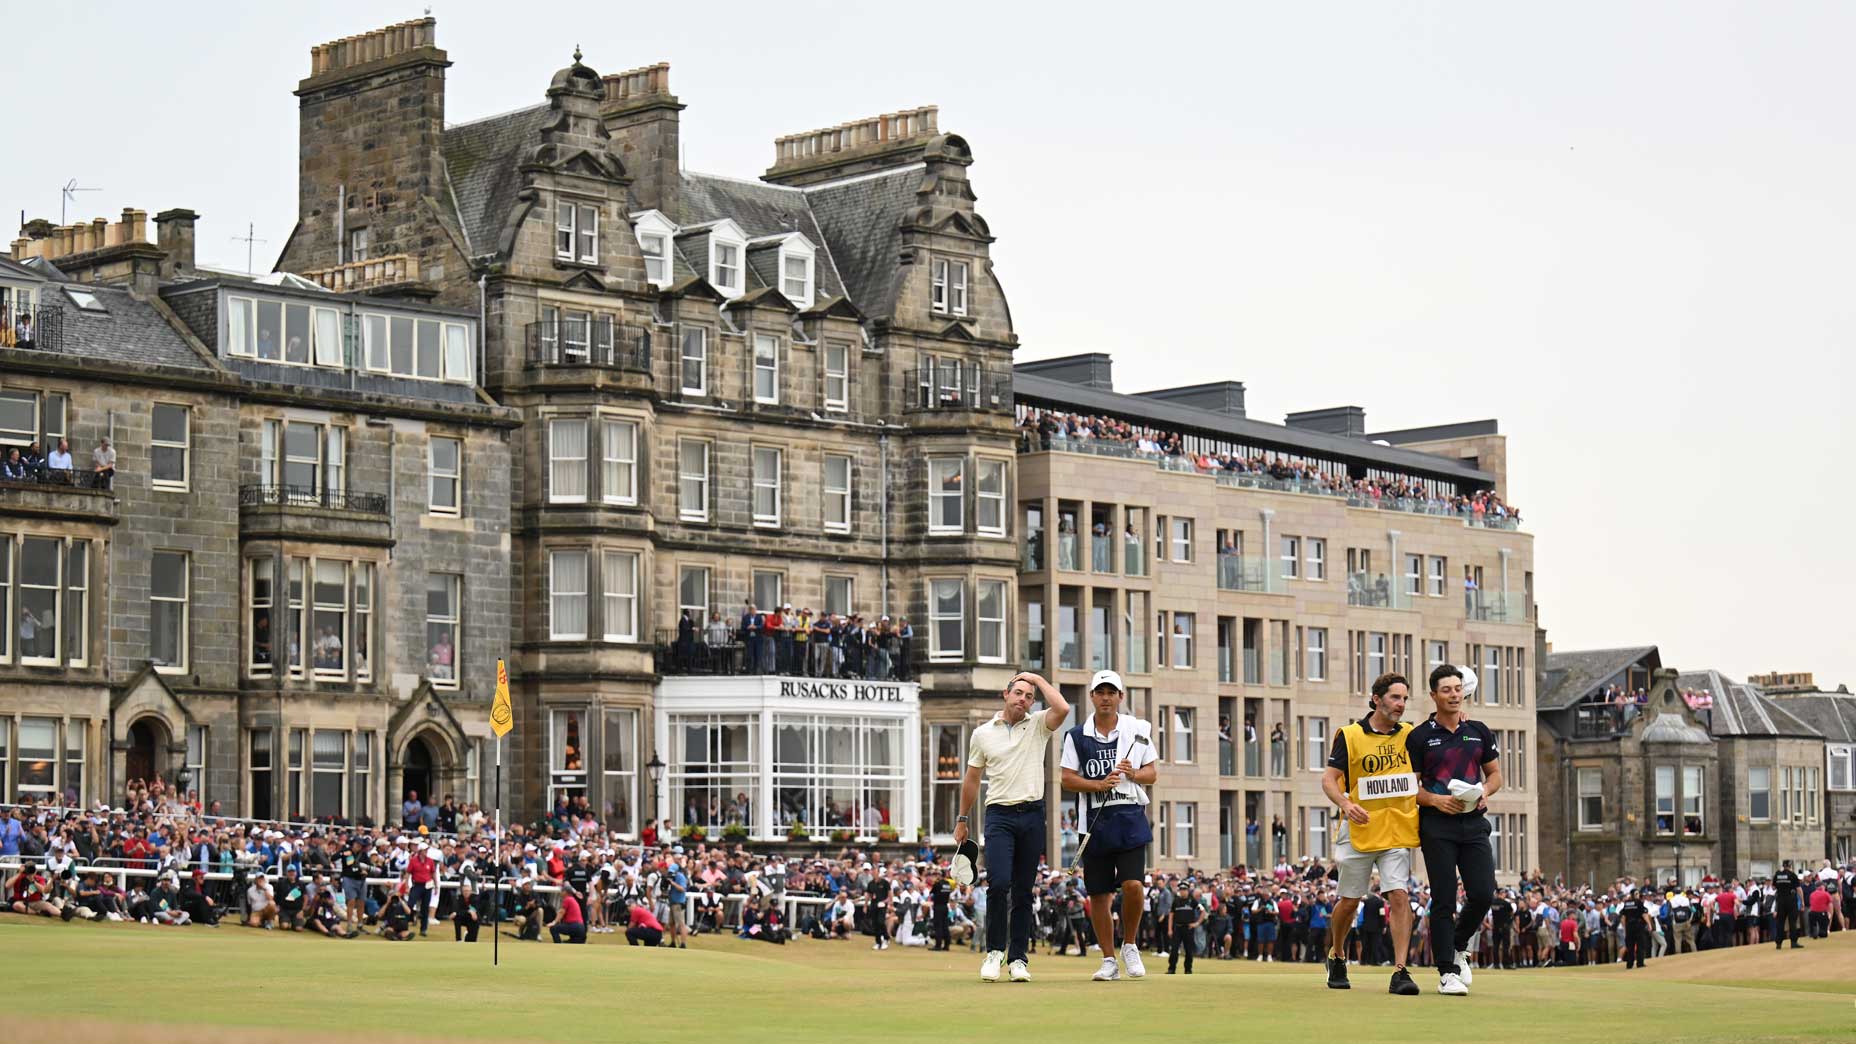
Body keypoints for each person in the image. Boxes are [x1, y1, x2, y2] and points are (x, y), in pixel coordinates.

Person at [955, 671, 1071, 983]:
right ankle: (994, 952)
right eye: (1019, 692)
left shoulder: (1038, 726)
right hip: (999, 816)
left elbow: (1063, 709)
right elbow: (972, 779)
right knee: (999, 883)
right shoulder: (982, 734)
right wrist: (962, 819)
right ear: (1006, 695)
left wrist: (1036, 678)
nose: (1023, 699)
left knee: (1023, 890)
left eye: (1029, 696)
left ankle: (1018, 959)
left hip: (1033, 815)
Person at [1321, 672, 1423, 995]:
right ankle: (1337, 954)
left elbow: (1438, 737)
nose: (1401, 704)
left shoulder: (1410, 734)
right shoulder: (1350, 736)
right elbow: (1329, 779)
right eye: (1396, 697)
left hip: (1396, 829)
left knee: (1399, 895)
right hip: (1360, 829)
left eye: (1405, 698)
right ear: (1376, 699)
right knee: (1350, 902)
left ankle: (1401, 970)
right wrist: (1344, 803)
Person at [1407, 664, 1503, 996]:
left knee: (1482, 893)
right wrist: (1435, 800)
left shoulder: (1478, 731)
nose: (1453, 694)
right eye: (1446, 689)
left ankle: (1459, 944)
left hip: (1473, 823)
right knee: (1444, 898)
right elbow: (1410, 789)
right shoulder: (1419, 736)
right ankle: (1447, 971)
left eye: (1457, 688)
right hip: (1437, 826)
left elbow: (1495, 776)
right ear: (1433, 695)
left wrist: (1485, 793)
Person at [1058, 669, 1157, 981]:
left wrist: (1133, 774)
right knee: (1099, 895)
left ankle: (1130, 944)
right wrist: (1098, 784)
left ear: (1120, 697)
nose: (1105, 698)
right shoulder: (1076, 736)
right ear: (1091, 697)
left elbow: (1151, 773)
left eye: (1111, 692)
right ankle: (1108, 960)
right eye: (1100, 692)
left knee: (1133, 885)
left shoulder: (1137, 731)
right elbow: (1067, 779)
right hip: (1095, 821)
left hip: (1128, 816)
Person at [1167, 879, 1202, 974]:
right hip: (1177, 928)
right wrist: (1169, 929)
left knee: (1188, 950)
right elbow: (1171, 915)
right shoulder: (1176, 901)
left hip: (1188, 928)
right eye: (1181, 889)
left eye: (1184, 889)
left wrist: (1197, 923)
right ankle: (1171, 968)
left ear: (1187, 890)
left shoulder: (1192, 901)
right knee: (1174, 949)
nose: (1182, 891)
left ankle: (1188, 969)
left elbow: (1203, 911)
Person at [1772, 860, 1803, 949]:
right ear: (1790, 866)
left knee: (1780, 922)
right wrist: (1802, 902)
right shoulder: (1792, 875)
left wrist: (1781, 886)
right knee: (1792, 922)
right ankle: (1793, 942)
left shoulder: (1777, 874)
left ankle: (1778, 943)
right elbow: (1799, 889)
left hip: (1780, 900)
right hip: (1791, 900)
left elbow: (1773, 887)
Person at [1620, 887, 1652, 969]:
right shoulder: (1638, 902)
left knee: (1630, 946)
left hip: (1629, 926)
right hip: (1638, 926)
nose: (1638, 895)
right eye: (1637, 894)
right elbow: (1644, 915)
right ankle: (1640, 963)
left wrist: (1625, 928)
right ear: (1633, 895)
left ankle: (1629, 964)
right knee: (1640, 945)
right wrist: (1649, 924)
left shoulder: (1626, 903)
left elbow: (1623, 918)